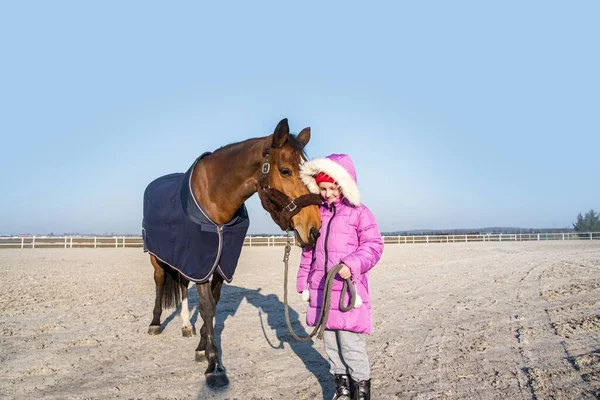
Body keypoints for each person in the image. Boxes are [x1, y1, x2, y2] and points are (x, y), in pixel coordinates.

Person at [297, 153, 384, 400]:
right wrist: (303, 280)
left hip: (347, 291)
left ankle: (361, 392)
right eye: (322, 189)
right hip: (322, 290)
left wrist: (352, 264)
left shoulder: (359, 213)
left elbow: (373, 245)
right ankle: (342, 390)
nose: (327, 194)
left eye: (332, 188)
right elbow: (308, 252)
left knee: (351, 345)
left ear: (343, 185)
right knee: (332, 346)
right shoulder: (317, 213)